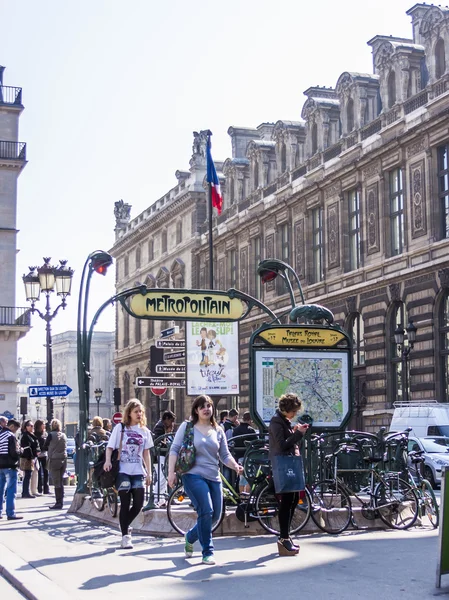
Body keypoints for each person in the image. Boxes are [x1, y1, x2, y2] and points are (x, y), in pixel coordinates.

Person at [168, 395, 243, 566]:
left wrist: (236, 466)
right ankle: (207, 552)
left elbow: (224, 455)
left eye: (208, 406)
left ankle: (190, 536)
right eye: (202, 406)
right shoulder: (187, 427)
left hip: (213, 476)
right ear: (196, 410)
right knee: (206, 510)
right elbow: (174, 449)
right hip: (193, 475)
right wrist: (171, 473)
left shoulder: (218, 430)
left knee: (215, 516)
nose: (206, 409)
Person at [104, 399, 153, 550]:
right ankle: (126, 536)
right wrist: (107, 461)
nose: (139, 414)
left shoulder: (144, 431)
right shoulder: (120, 428)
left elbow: (146, 453)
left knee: (138, 504)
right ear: (129, 413)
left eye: (141, 412)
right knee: (125, 503)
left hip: (138, 471)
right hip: (123, 471)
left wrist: (149, 473)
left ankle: (124, 524)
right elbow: (110, 447)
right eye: (136, 411)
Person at [269, 393, 308, 556]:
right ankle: (283, 538)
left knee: (292, 500)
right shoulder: (277, 422)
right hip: (283, 464)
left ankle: (286, 537)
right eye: (293, 411)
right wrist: (298, 434)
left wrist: (295, 431)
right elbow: (282, 445)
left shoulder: (283, 422)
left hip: (287, 463)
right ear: (286, 409)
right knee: (287, 502)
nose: (295, 414)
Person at [0, 419, 23, 520]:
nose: (16, 431)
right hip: (10, 465)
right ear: (12, 426)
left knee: (0, 490)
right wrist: (20, 451)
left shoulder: (1, 435)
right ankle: (10, 513)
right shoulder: (11, 436)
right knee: (11, 490)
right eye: (16, 429)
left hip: (0, 466)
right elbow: (14, 453)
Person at [152, 411, 176, 506]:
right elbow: (158, 441)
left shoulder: (161, 426)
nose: (172, 423)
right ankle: (155, 499)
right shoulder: (160, 427)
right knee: (162, 477)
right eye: (171, 420)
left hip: (160, 456)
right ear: (166, 419)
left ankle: (160, 499)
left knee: (162, 477)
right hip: (159, 456)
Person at [43, 419, 67, 510]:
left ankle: (58, 502)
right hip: (63, 459)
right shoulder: (64, 435)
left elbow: (45, 446)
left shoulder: (50, 435)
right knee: (60, 480)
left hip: (54, 459)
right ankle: (61, 499)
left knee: (56, 481)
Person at [231, 412, 257, 493]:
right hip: (249, 456)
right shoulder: (251, 430)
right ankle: (247, 497)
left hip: (239, 456)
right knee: (249, 478)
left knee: (241, 479)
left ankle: (242, 497)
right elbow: (255, 442)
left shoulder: (236, 430)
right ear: (250, 420)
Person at [20, 420, 39, 499]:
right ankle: (25, 492)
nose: (32, 427)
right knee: (27, 475)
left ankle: (26, 491)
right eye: (30, 426)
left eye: (33, 426)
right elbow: (27, 448)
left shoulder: (32, 435)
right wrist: (31, 457)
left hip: (32, 457)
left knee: (29, 475)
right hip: (28, 458)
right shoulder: (25, 436)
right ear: (26, 427)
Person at [34, 419, 50, 495]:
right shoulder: (35, 434)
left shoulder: (45, 433)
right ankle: (39, 488)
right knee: (39, 472)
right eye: (42, 424)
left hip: (44, 454)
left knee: (46, 471)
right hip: (38, 455)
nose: (44, 425)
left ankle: (46, 489)